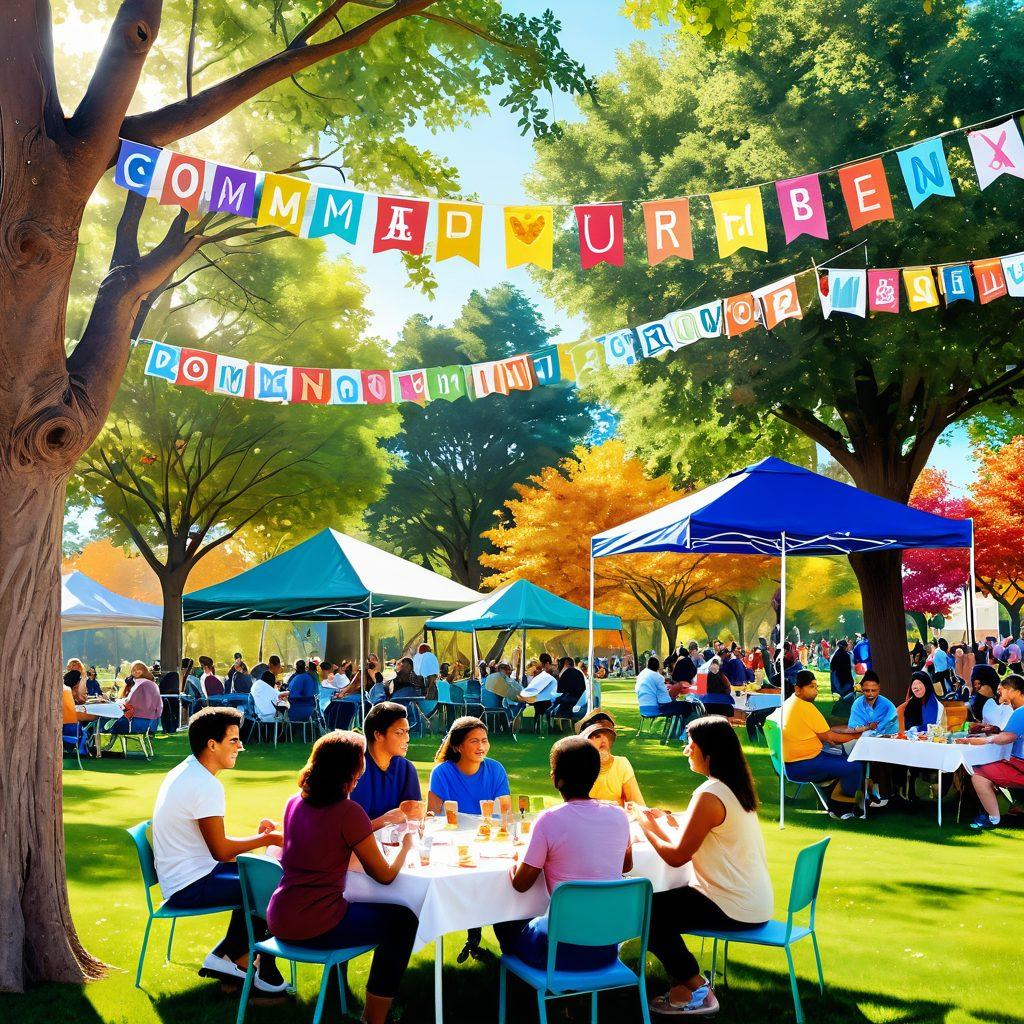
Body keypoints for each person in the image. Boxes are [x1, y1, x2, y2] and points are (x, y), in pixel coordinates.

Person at [266, 731, 418, 1023]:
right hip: (316, 923)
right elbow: (384, 876)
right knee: (403, 921)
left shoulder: (293, 802)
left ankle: (341, 991)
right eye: (358, 770)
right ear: (345, 773)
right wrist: (406, 846)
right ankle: (374, 1018)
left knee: (354, 903)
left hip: (279, 915)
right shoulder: (349, 812)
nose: (361, 774)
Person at [637, 716, 773, 1016]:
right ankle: (684, 985)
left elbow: (676, 856)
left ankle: (697, 987)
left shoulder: (710, 794)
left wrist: (645, 825)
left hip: (734, 904)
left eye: (691, 745)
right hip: (752, 899)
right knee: (658, 907)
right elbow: (692, 837)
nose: (686, 751)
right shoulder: (733, 788)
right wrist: (662, 823)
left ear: (708, 754)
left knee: (647, 911)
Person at [152, 707, 286, 992]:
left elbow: (216, 845)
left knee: (261, 878)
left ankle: (232, 957)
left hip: (188, 874)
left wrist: (257, 836)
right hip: (189, 884)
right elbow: (222, 851)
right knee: (272, 886)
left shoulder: (188, 770)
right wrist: (268, 839)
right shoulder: (204, 784)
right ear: (212, 745)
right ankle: (248, 962)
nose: (241, 746)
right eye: (234, 740)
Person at [493, 736, 632, 971]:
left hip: (556, 951)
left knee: (503, 918)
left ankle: (522, 986)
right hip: (606, 948)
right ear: (596, 776)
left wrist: (519, 857)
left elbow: (521, 884)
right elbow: (625, 866)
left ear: (555, 779)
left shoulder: (549, 820)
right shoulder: (619, 816)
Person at [427, 717, 511, 962]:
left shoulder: (495, 769)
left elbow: (505, 812)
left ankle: (501, 943)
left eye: (484, 740)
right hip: (455, 843)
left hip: (491, 840)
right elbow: (431, 815)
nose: (481, 746)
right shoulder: (442, 772)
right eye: (474, 741)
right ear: (457, 746)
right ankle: (474, 934)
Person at [777, 670, 866, 818]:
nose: (816, 691)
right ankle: (842, 807)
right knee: (855, 766)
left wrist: (851, 733)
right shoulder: (805, 707)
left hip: (794, 762)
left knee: (843, 754)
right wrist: (858, 736)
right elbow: (831, 737)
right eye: (811, 687)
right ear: (797, 689)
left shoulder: (790, 703)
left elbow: (824, 732)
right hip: (805, 763)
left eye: (816, 687)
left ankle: (839, 798)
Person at [962, 675, 1024, 829]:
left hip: (1020, 766)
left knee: (978, 775)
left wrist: (982, 740)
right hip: (1017, 764)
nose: (999, 695)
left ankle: (992, 819)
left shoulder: (1020, 711)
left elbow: (1007, 737)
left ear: (1012, 691)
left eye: (1001, 691)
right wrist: (995, 732)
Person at [350, 702, 422, 829]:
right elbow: (343, 829)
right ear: (378, 735)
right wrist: (385, 820)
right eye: (399, 732)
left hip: (394, 844)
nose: (407, 738)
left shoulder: (406, 769)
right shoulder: (353, 768)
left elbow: (413, 818)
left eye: (407, 732)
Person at [847, 671, 898, 805]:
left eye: (873, 690)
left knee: (881, 756)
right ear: (862, 689)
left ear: (879, 688)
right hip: (862, 741)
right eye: (866, 690)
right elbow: (853, 728)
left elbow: (893, 728)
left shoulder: (888, 706)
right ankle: (860, 793)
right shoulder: (857, 704)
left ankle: (884, 794)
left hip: (885, 742)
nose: (870, 694)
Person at [580, 717, 644, 806]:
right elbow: (574, 805)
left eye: (607, 735)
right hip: (587, 817)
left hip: (616, 817)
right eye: (597, 736)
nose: (603, 740)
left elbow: (637, 803)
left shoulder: (621, 764)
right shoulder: (578, 766)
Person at [635, 657, 693, 724]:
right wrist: (673, 698)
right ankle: (684, 731)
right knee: (687, 706)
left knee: (680, 706)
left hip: (642, 708)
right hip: (655, 708)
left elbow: (637, 690)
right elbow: (665, 700)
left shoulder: (641, 675)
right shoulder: (657, 677)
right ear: (658, 667)